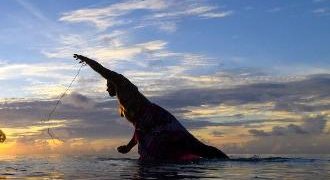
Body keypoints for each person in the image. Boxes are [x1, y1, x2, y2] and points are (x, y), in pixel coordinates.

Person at [74, 54, 228, 162]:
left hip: (159, 119)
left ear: (113, 82)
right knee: (152, 161)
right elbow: (140, 127)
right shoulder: (123, 104)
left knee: (193, 146)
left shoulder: (121, 84)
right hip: (149, 128)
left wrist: (85, 60)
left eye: (107, 85)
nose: (106, 90)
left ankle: (226, 162)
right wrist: (128, 147)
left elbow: (102, 70)